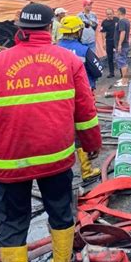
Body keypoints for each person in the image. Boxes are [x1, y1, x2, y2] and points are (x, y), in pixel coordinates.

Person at [0, 3, 102, 262]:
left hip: (12, 161)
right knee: (61, 214)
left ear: (20, 29)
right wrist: (91, 144)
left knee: (13, 223)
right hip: (56, 159)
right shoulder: (69, 61)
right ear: (50, 27)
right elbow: (86, 110)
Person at [57, 15, 103, 182]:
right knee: (83, 128)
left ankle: (61, 169)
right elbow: (99, 71)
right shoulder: (84, 51)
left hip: (59, 98)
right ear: (78, 32)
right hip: (82, 95)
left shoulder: (54, 49)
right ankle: (86, 170)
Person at [100, 8, 119, 78]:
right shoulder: (104, 22)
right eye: (107, 14)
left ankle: (122, 72)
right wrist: (103, 43)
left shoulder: (117, 19)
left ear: (113, 14)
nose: (109, 15)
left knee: (119, 57)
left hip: (116, 41)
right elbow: (103, 33)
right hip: (109, 41)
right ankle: (111, 72)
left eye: (110, 14)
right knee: (110, 57)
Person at [115, 7, 131, 87]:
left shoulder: (121, 21)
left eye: (117, 12)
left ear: (120, 12)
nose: (116, 13)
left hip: (123, 45)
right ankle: (126, 79)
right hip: (126, 44)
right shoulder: (127, 21)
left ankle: (124, 81)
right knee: (124, 62)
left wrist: (119, 44)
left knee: (122, 63)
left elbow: (123, 32)